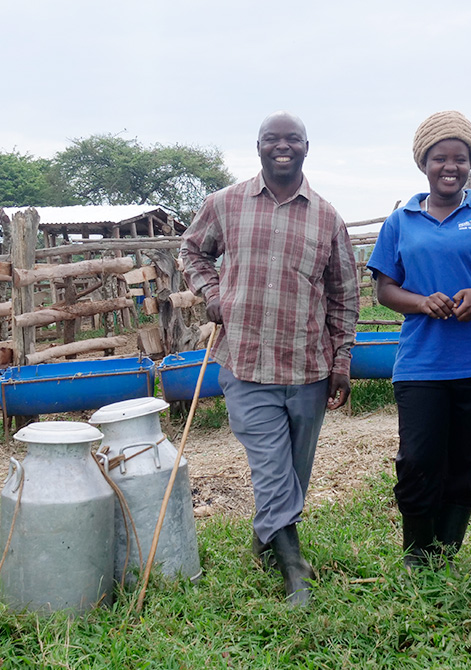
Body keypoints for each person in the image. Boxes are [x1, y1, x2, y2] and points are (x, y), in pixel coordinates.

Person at [181, 111, 359, 606]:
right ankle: (294, 568)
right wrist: (212, 293)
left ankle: (267, 537)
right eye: (272, 140)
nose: (282, 147)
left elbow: (344, 296)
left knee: (295, 472)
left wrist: (341, 362)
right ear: (258, 146)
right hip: (246, 362)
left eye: (292, 140)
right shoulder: (225, 204)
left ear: (307, 147)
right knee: (271, 469)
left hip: (308, 368)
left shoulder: (327, 218)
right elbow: (191, 252)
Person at [367, 111, 471, 569]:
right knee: (417, 460)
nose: (450, 166)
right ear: (424, 163)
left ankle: (445, 553)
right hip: (422, 363)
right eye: (440, 158)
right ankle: (417, 555)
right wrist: (420, 303)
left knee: (468, 462)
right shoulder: (401, 220)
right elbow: (385, 289)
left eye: (460, 157)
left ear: (470, 162)